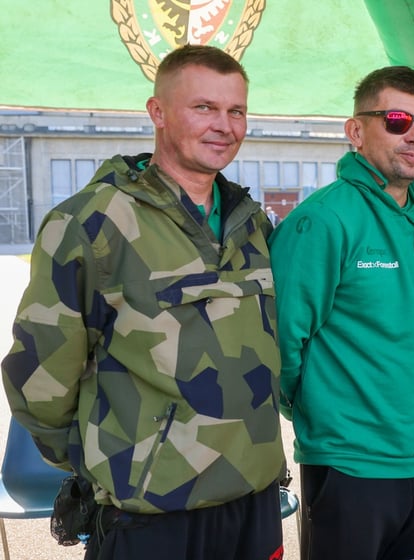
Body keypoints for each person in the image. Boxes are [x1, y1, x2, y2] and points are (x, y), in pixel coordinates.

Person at [1, 45, 288, 560]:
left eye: (236, 110)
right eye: (204, 107)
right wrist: (110, 463)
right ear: (157, 112)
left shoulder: (252, 224)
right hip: (153, 515)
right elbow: (39, 377)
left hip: (254, 499)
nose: (224, 125)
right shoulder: (90, 224)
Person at [269, 66, 414, 560]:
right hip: (349, 460)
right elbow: (281, 342)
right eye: (397, 120)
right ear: (356, 131)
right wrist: (314, 409)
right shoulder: (322, 221)